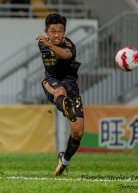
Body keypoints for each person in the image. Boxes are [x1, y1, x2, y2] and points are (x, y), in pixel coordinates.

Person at [36, 13, 84, 176]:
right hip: (52, 81)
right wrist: (47, 44)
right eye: (53, 31)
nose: (56, 34)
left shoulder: (69, 45)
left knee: (77, 133)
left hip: (71, 85)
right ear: (46, 31)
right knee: (59, 92)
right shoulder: (43, 43)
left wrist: (48, 44)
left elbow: (64, 55)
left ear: (64, 31)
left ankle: (64, 160)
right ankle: (65, 105)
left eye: (60, 31)